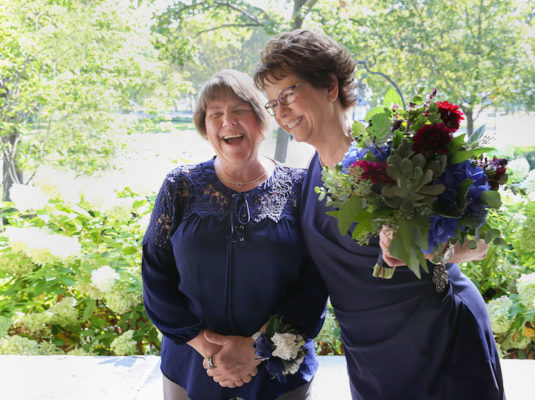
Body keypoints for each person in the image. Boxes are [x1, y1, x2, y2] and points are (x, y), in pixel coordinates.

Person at [254, 30, 505, 400]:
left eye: (289, 93)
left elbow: (480, 242)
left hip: (439, 338)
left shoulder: (398, 153)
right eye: (273, 104)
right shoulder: (310, 176)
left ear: (330, 87)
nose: (282, 112)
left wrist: (435, 251)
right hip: (370, 355)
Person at [142, 69, 327, 400]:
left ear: (261, 120)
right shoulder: (179, 186)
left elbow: (316, 282)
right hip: (191, 364)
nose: (227, 122)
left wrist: (258, 349)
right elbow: (155, 275)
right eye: (215, 114)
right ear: (204, 127)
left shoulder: (301, 188)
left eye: (239, 110)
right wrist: (208, 348)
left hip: (279, 371)